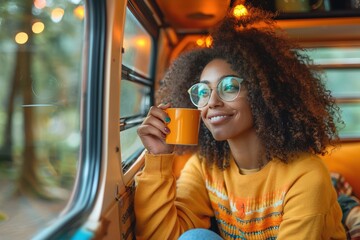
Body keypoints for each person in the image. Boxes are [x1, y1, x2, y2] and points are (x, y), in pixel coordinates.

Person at [134, 6, 347, 240]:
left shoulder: (306, 176)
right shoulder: (205, 166)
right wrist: (158, 159)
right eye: (203, 92)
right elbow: (162, 237)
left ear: (263, 93)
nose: (211, 102)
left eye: (229, 87)